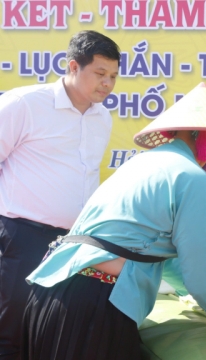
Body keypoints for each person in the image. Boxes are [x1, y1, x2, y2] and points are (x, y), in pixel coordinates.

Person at [20, 83, 206, 360]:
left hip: (51, 296)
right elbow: (199, 257)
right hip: (93, 306)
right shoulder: (193, 177)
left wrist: (200, 295)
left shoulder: (142, 163)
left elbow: (159, 252)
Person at [0, 30, 120, 360]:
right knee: (10, 329)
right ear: (72, 67)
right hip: (22, 235)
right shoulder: (24, 104)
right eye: (99, 73)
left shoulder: (102, 117)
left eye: (112, 76)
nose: (107, 83)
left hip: (74, 242)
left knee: (50, 326)